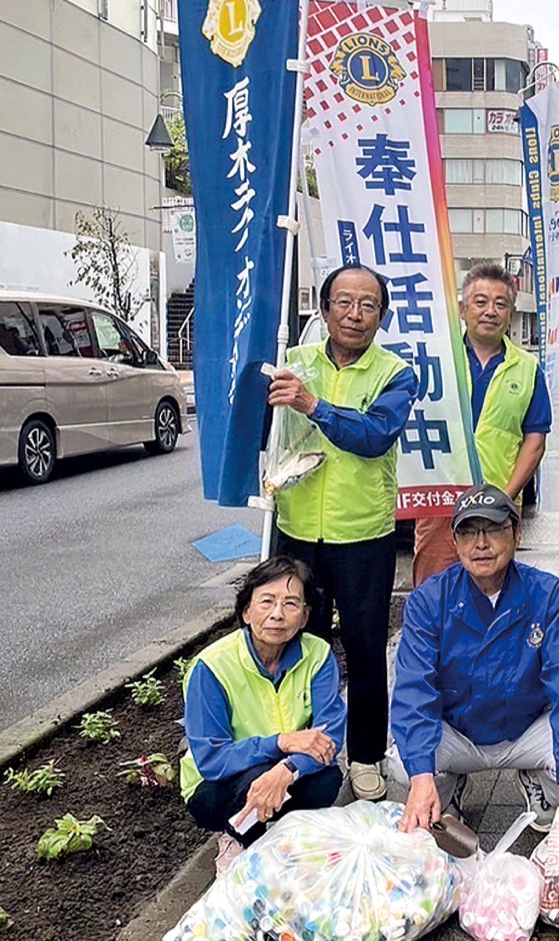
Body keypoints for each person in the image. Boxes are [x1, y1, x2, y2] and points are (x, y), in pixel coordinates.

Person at [269, 265, 417, 802]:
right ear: (325, 307)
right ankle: (302, 753)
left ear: (382, 315)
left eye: (368, 306)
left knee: (365, 648)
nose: (354, 315)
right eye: (344, 302)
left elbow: (376, 435)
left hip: (363, 535)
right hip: (296, 530)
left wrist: (313, 405)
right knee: (295, 647)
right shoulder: (294, 362)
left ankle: (367, 757)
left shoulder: (396, 373)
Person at [391, 485, 559, 832]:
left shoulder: (549, 595)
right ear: (455, 540)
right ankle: (446, 794)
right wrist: (421, 776)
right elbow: (414, 691)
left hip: (525, 729)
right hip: (459, 733)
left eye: (493, 529)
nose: (481, 543)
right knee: (405, 763)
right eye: (468, 532)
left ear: (517, 533)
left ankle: (543, 789)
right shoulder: (429, 601)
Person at [181, 556, 346, 875]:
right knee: (249, 783)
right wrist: (281, 743)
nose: (277, 614)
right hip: (218, 784)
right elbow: (213, 759)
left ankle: (285, 835)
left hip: (280, 768)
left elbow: (331, 736)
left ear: (305, 616)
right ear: (246, 610)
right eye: (266, 601)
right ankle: (235, 836)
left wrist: (286, 769)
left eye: (291, 603)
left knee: (326, 779)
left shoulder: (318, 655)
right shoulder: (211, 667)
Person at [413, 262, 552, 585]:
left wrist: (506, 496)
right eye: (480, 302)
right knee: (435, 591)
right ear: (462, 310)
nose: (490, 311)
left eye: (500, 304)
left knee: (491, 591)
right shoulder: (435, 358)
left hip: (497, 501)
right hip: (439, 499)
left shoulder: (527, 368)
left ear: (511, 313)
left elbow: (535, 441)